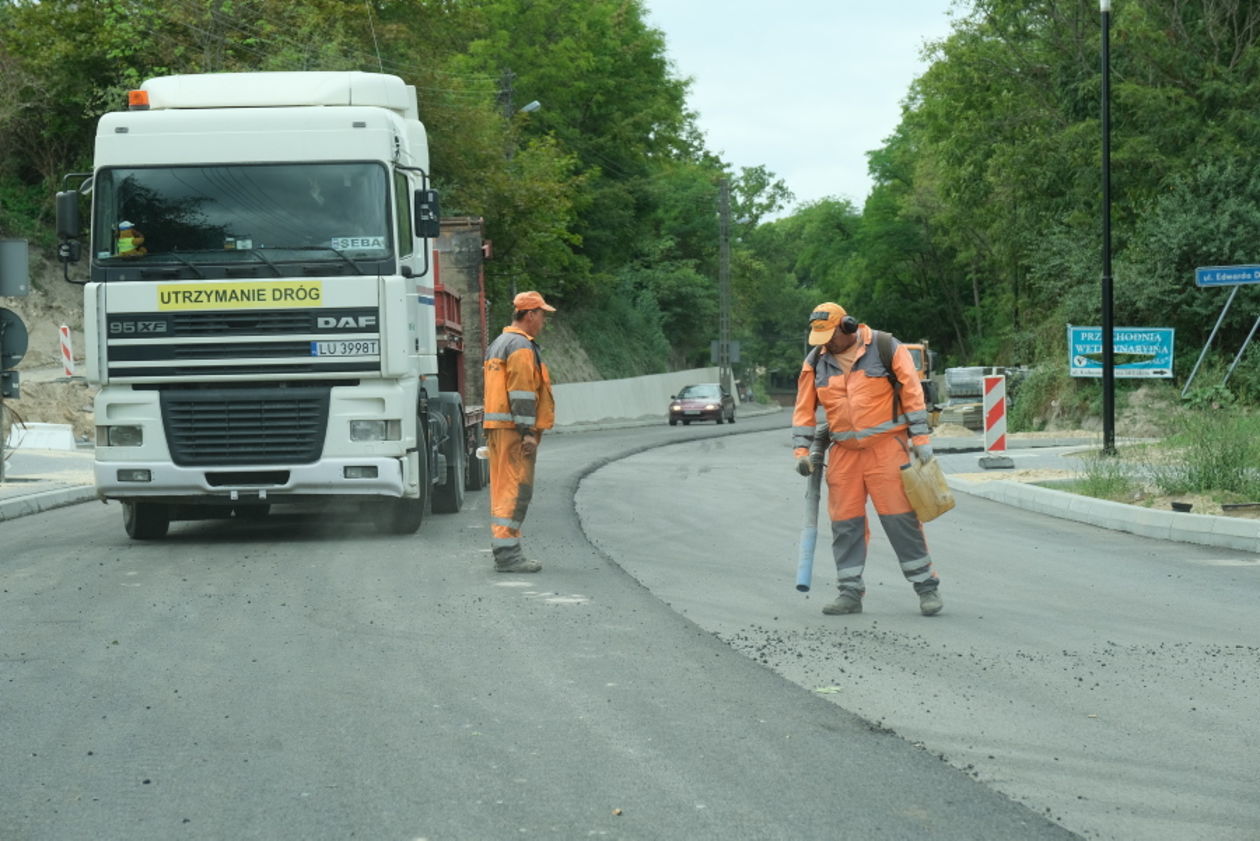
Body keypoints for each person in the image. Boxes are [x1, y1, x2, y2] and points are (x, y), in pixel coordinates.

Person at [791, 302, 943, 616]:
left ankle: (926, 588)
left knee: (901, 521)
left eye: (830, 336)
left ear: (848, 326)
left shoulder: (886, 347)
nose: (827, 345)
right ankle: (849, 592)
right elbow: (804, 410)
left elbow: (913, 394)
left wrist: (922, 440)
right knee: (845, 525)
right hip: (844, 454)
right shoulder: (816, 363)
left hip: (887, 449)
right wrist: (802, 452)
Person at [482, 290, 557, 573]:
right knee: (516, 490)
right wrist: (527, 430)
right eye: (542, 316)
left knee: (504, 490)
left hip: (500, 429)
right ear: (529, 315)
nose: (543, 322)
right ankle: (508, 556)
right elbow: (522, 392)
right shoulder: (520, 347)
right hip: (515, 430)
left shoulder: (499, 343)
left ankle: (506, 552)